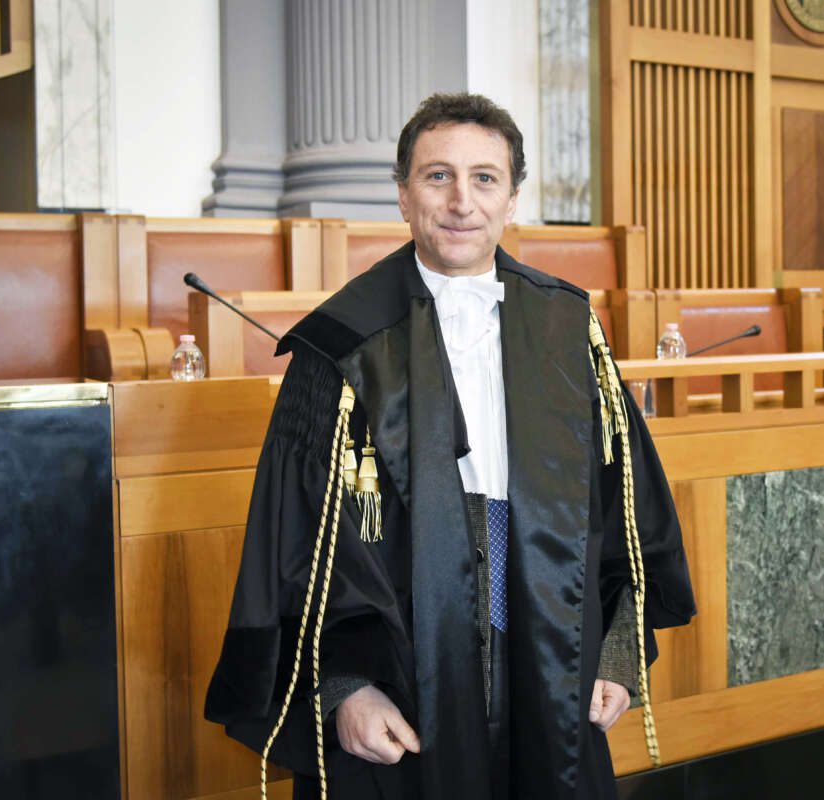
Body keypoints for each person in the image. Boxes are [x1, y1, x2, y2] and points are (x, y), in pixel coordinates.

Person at [204, 92, 695, 800]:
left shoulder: (568, 329)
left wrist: (617, 654)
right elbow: (294, 547)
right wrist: (344, 689)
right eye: (438, 176)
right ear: (403, 195)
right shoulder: (340, 347)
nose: (462, 201)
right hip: (402, 685)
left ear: (512, 199)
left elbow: (627, 506)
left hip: (549, 666)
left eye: (484, 178)